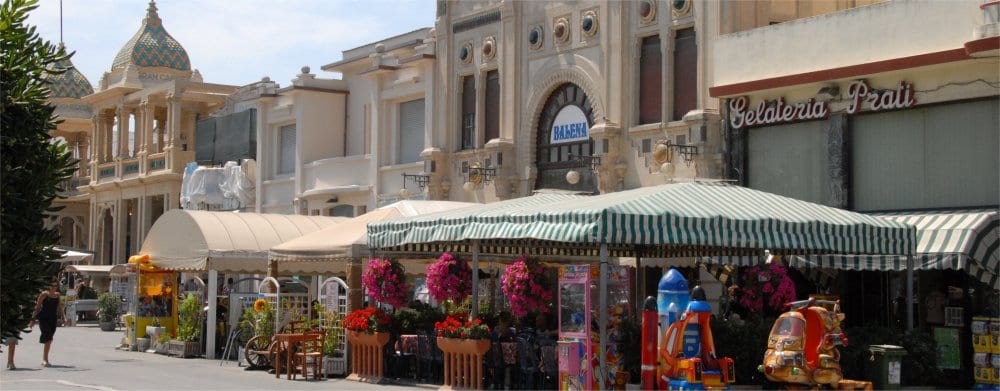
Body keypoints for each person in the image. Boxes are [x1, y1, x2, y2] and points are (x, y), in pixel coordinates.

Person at [28, 281, 68, 367]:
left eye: (56, 285)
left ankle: (45, 358)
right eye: (52, 285)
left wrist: (64, 318)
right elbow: (37, 308)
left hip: (53, 319)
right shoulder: (44, 294)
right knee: (48, 337)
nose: (54, 287)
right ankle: (45, 359)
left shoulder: (57, 295)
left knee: (50, 339)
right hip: (43, 318)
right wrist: (32, 320)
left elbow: (60, 308)